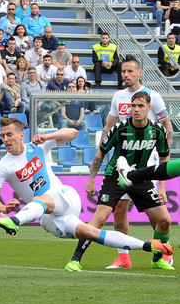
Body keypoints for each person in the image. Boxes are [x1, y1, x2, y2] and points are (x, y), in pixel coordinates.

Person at [0, 118, 173, 265]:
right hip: (48, 218)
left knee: (43, 197)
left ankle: (15, 221)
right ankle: (148, 246)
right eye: (3, 136)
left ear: (21, 135)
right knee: (91, 232)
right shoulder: (4, 166)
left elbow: (73, 133)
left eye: (9, 134)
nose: (6, 139)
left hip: (64, 196)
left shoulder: (38, 146)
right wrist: (4, 207)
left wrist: (48, 136)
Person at [65, 91, 173, 272]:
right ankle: (75, 259)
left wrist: (161, 187)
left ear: (149, 108)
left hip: (140, 177)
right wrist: (91, 180)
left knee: (164, 220)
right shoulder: (120, 128)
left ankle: (157, 258)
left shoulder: (157, 131)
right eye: (133, 106)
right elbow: (101, 153)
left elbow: (164, 158)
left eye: (140, 106)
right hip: (114, 176)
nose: (136, 110)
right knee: (99, 218)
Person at [93, 56, 174, 269]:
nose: (126, 75)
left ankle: (163, 252)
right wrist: (100, 152)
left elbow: (168, 128)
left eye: (130, 71)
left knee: (155, 216)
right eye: (123, 72)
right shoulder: (118, 96)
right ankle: (123, 257)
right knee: (119, 209)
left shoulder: (153, 96)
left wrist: (162, 173)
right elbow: (108, 127)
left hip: (147, 165)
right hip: (121, 166)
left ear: (139, 73)